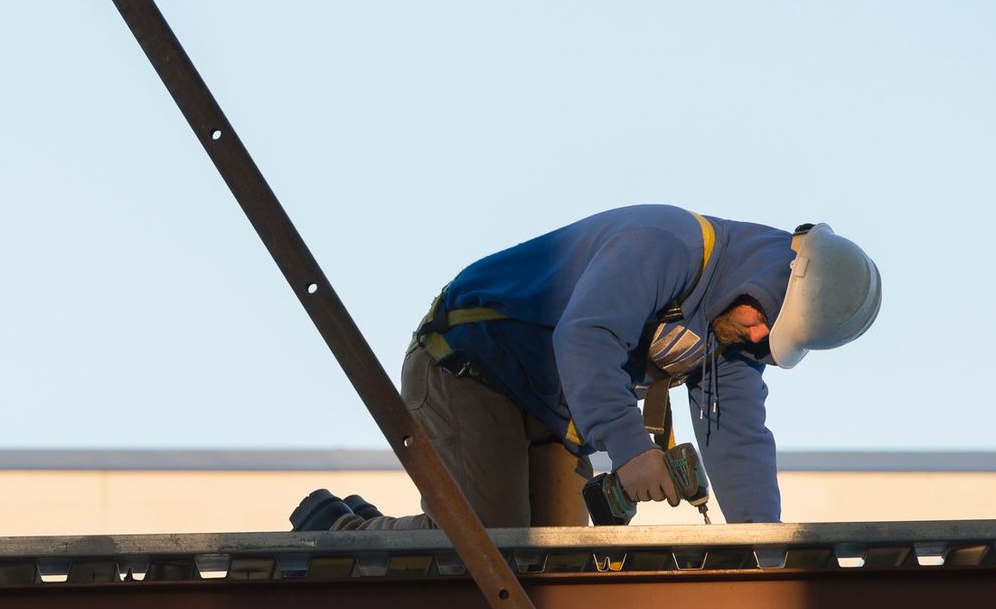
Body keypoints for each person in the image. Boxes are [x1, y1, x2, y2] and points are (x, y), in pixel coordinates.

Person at [291, 204, 880, 530]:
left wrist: (761, 552)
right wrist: (630, 448)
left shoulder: (734, 331)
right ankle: (348, 534)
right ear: (774, 273)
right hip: (469, 367)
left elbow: (738, 438)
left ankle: (393, 529)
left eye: (772, 339)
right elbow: (587, 336)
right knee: (490, 547)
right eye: (764, 320)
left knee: (554, 560)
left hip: (550, 411)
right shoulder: (666, 243)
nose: (756, 336)